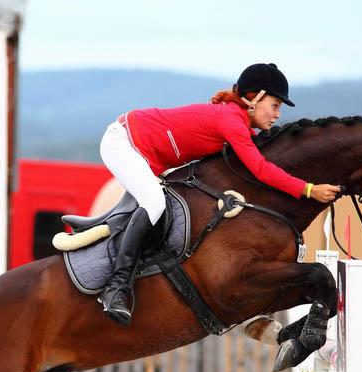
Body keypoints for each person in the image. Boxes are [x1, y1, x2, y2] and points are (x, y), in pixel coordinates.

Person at [98, 63, 341, 326]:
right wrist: (308, 189)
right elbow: (260, 169)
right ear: (254, 98)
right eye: (274, 105)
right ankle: (116, 287)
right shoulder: (231, 121)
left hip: (145, 152)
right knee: (155, 203)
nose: (277, 114)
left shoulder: (236, 121)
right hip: (123, 143)